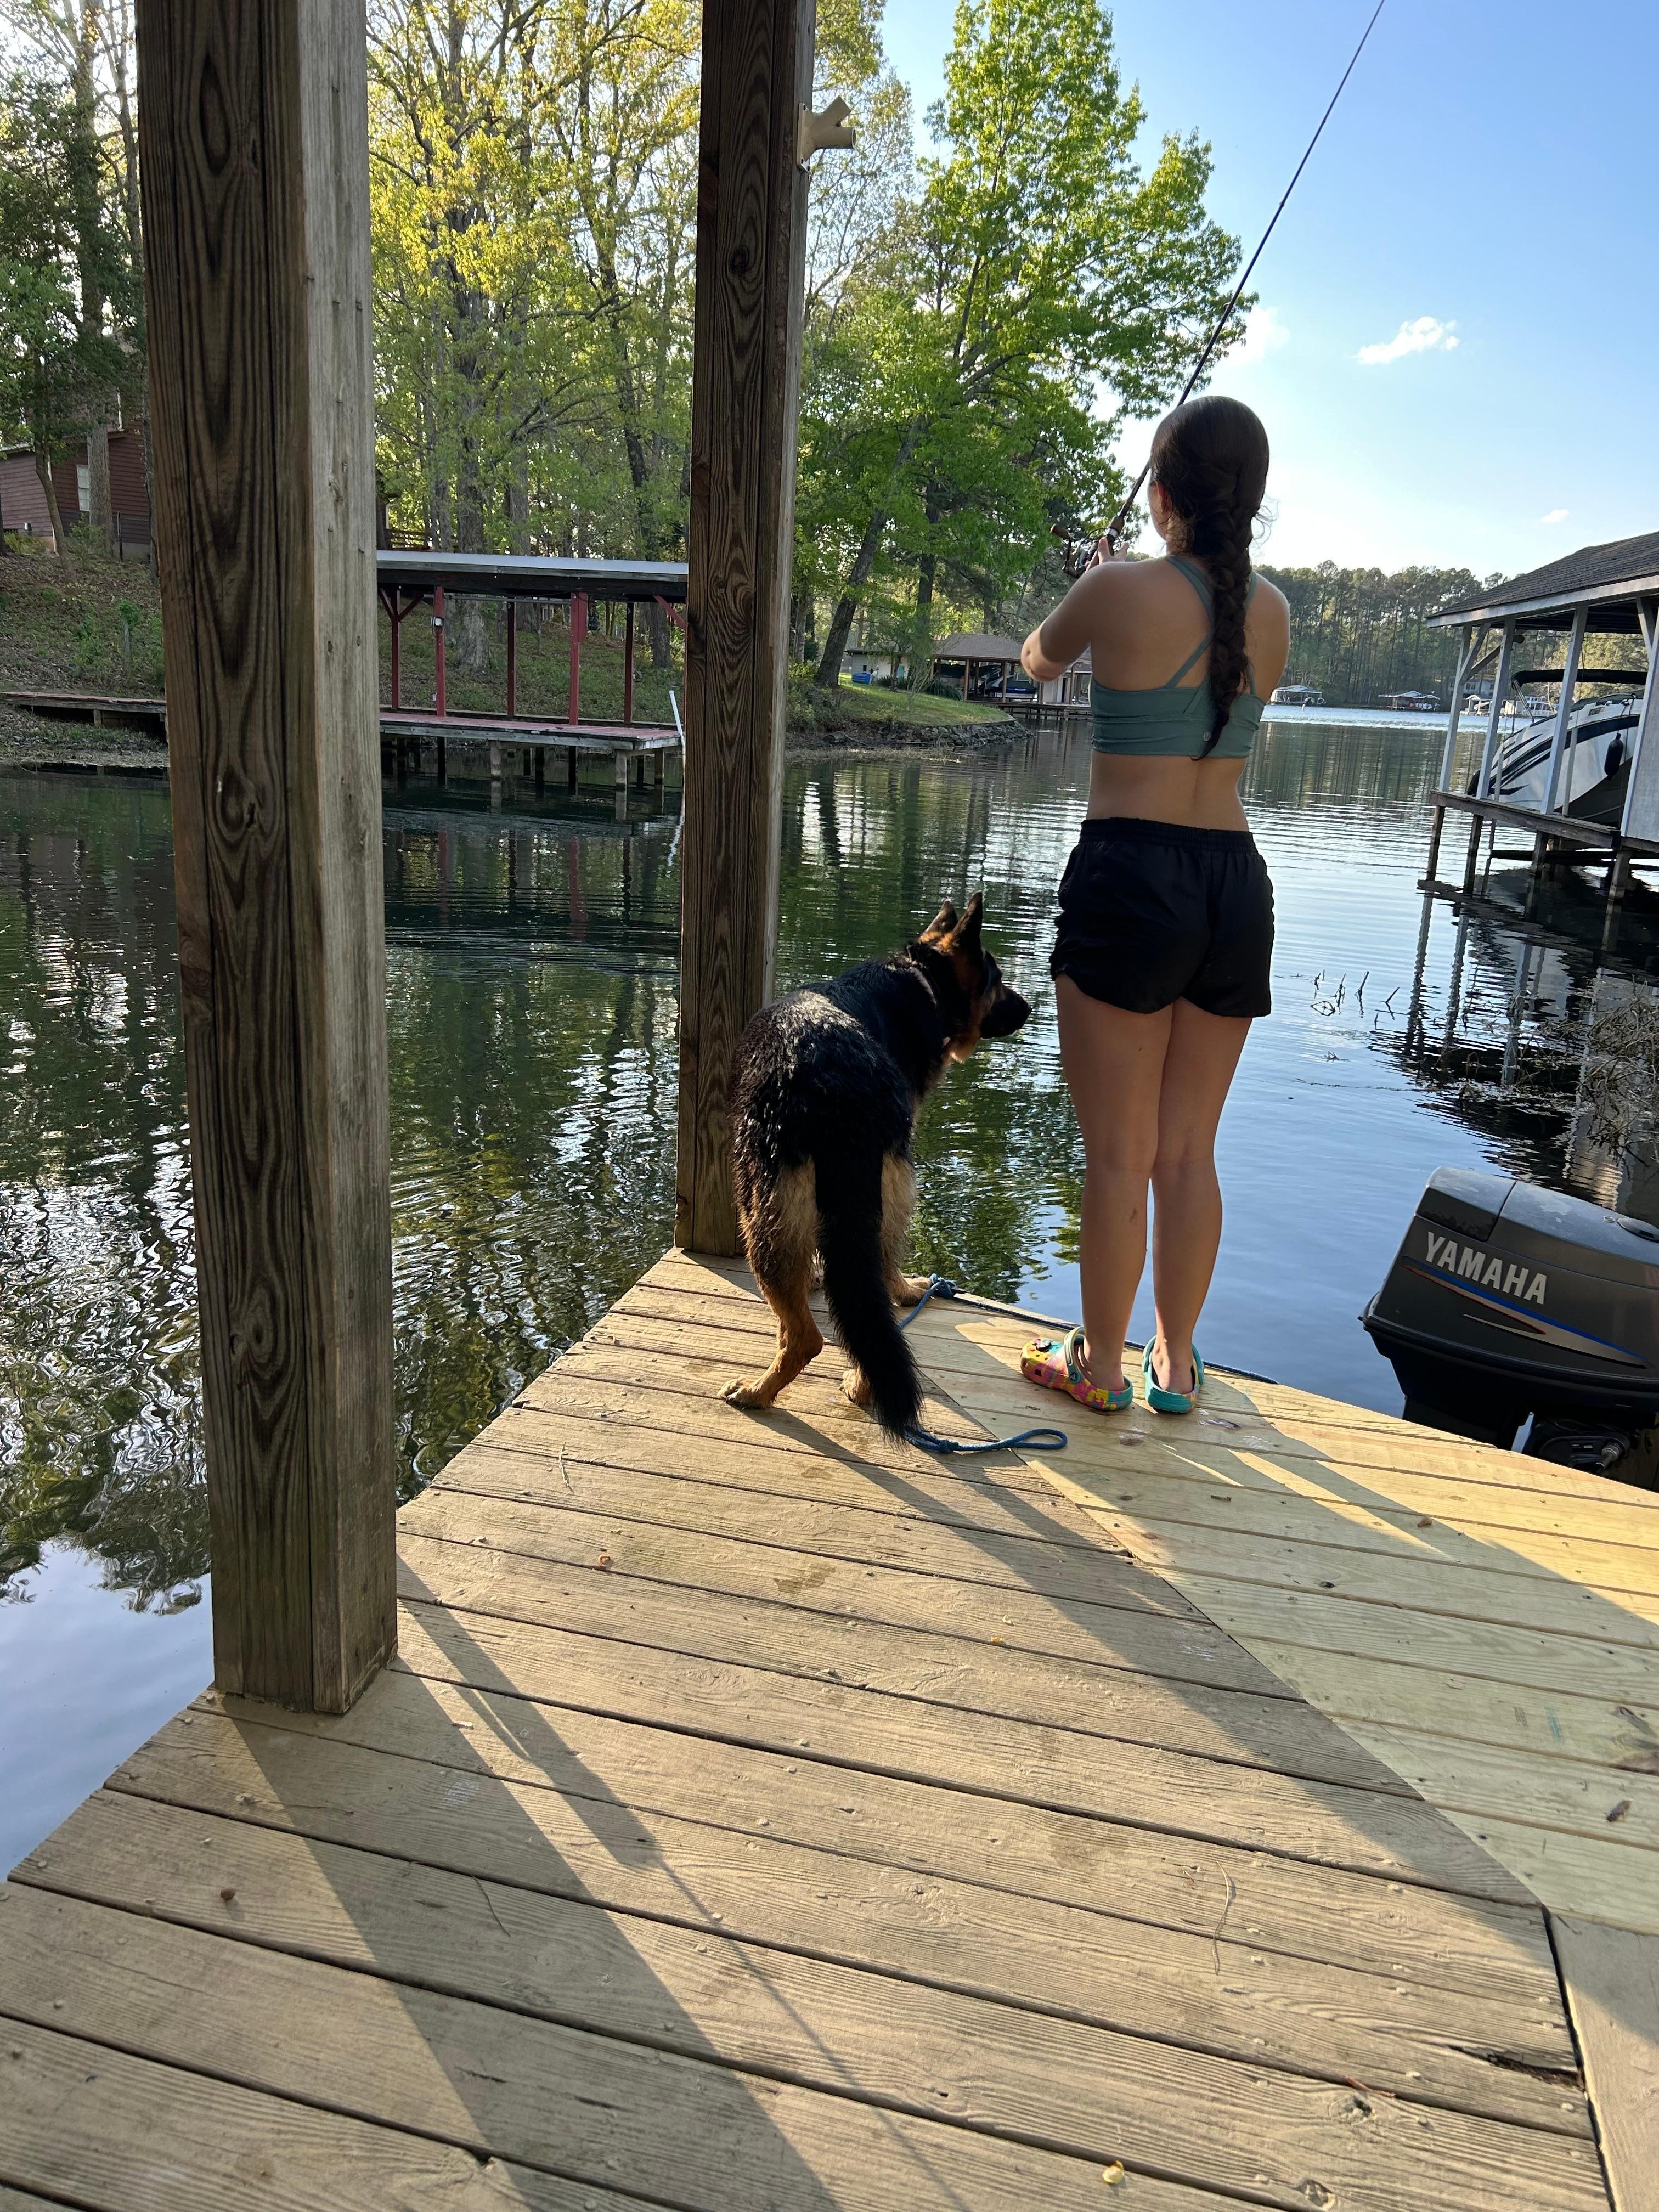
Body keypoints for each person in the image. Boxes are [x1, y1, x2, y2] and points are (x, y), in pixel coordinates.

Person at [1017, 395, 1288, 1415]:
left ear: (1162, 493)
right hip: (1234, 882)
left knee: (1119, 1156)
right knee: (1187, 1152)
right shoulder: (1275, 613)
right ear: (1249, 499)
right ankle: (1176, 1369)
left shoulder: (1114, 589)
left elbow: (1038, 660)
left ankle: (1097, 1372)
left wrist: (1094, 577)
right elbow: (1206, 632)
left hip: (1131, 879)